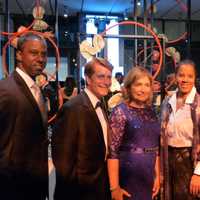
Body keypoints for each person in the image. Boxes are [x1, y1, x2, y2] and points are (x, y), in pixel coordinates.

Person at [52, 57, 113, 200]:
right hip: (79, 192)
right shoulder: (73, 108)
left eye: (109, 77)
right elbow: (63, 161)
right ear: (88, 78)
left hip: (98, 188)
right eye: (101, 76)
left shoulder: (101, 104)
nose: (106, 82)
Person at [0, 33, 49, 199]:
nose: (40, 59)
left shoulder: (35, 89)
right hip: (12, 186)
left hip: (34, 183)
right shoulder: (5, 90)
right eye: (34, 53)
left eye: (43, 54)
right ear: (19, 55)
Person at [108, 66, 160, 200]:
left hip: (148, 175)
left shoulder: (152, 112)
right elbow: (112, 152)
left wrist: (157, 176)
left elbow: (155, 148)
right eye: (138, 85)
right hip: (128, 177)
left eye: (147, 85)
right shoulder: (120, 111)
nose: (143, 89)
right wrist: (114, 188)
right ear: (129, 87)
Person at [161, 59, 200, 200]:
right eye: (181, 75)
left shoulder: (199, 104)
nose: (185, 80)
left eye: (190, 76)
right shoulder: (167, 102)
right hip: (168, 161)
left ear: (195, 78)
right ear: (176, 77)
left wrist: (198, 173)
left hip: (190, 163)